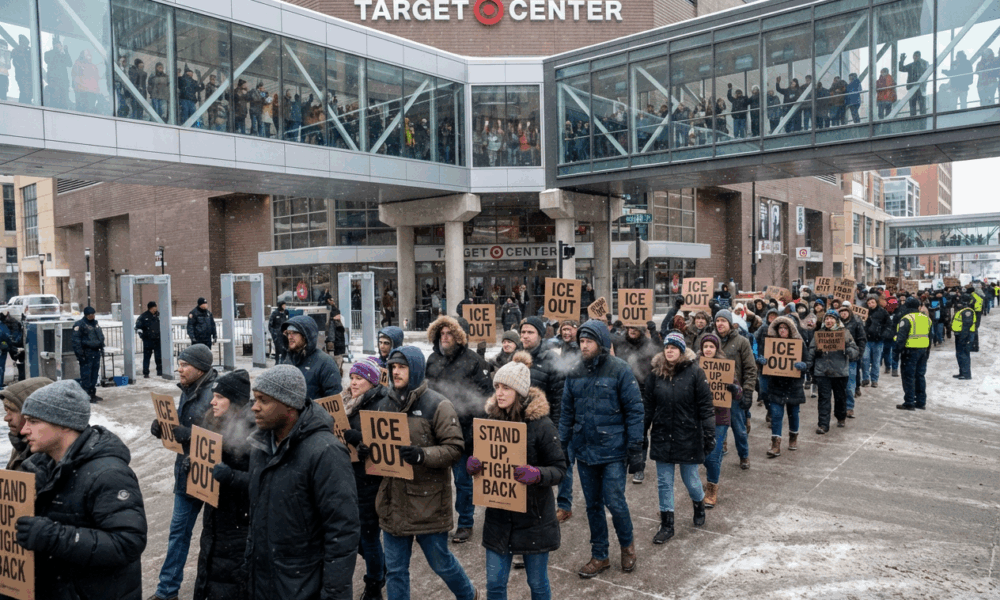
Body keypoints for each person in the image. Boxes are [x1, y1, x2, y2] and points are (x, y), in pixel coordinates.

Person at [15, 380, 147, 599]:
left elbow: (127, 543)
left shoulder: (108, 474)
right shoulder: (41, 466)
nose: (24, 429)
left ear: (64, 423)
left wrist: (54, 537)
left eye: (33, 421)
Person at [245, 365, 359, 599]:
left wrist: (334, 593)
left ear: (289, 405)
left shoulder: (326, 452)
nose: (254, 407)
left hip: (302, 585)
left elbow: (342, 531)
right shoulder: (260, 447)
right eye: (254, 399)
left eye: (263, 400)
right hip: (264, 583)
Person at [376, 346, 479, 600]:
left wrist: (423, 455)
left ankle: (469, 595)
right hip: (393, 502)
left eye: (402, 367)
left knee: (441, 562)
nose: (396, 372)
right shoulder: (384, 404)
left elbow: (455, 449)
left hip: (427, 502)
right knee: (396, 571)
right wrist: (368, 447)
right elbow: (380, 453)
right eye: (393, 367)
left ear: (416, 369)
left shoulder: (438, 404)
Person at [465, 352, 566, 600]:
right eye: (497, 386)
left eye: (506, 388)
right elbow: (484, 463)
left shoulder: (542, 425)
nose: (499, 393)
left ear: (519, 391)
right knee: (495, 584)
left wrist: (537, 474)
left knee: (537, 584)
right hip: (498, 518)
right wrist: (474, 466)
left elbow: (560, 469)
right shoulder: (489, 421)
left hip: (534, 519)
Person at [559, 319, 644, 578]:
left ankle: (627, 547)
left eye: (588, 341)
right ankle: (600, 555)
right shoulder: (574, 371)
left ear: (601, 343)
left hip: (613, 451)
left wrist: (636, 448)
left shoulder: (620, 369)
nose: (583, 346)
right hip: (584, 449)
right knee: (592, 505)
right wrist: (561, 445)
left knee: (615, 502)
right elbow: (566, 413)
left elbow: (634, 411)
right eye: (581, 341)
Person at [148, 343, 217, 600]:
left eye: (184, 365)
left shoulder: (215, 393)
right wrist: (162, 426)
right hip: (186, 473)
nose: (179, 369)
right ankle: (166, 592)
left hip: (210, 476)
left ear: (200, 368)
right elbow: (180, 421)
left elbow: (225, 434)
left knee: (216, 537)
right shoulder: (187, 389)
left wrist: (190, 435)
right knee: (178, 533)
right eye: (179, 364)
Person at [425, 315, 493, 544]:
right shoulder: (432, 359)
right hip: (436, 431)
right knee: (434, 480)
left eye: (450, 333)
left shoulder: (474, 362)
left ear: (459, 336)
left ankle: (465, 522)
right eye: (441, 333)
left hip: (465, 431)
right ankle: (436, 521)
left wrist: (475, 435)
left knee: (463, 482)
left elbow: (485, 399)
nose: (445, 337)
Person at [643, 332, 714, 543]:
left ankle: (699, 505)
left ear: (682, 350)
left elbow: (706, 407)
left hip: (688, 436)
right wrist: (641, 435)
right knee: (664, 483)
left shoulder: (695, 373)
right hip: (663, 435)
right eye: (667, 347)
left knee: (690, 480)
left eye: (674, 347)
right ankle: (667, 525)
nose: (670, 350)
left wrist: (709, 434)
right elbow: (647, 408)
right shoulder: (655, 375)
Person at [193, 369, 254, 600]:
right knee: (211, 576)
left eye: (219, 397)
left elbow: (263, 483)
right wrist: (195, 466)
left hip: (239, 525)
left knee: (230, 583)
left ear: (235, 402)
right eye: (213, 396)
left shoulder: (253, 432)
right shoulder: (213, 424)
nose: (212, 402)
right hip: (215, 521)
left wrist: (231, 477)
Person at [340, 358, 396, 600]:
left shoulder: (381, 405)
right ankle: (379, 567)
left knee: (368, 534)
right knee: (353, 533)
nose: (353, 382)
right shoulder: (344, 401)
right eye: (352, 377)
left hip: (370, 481)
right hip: (346, 478)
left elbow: (387, 443)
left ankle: (374, 583)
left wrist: (363, 442)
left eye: (359, 378)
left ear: (372, 381)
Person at [519, 317, 572, 520]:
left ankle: (564, 504)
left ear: (540, 335)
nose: (525, 336)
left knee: (556, 464)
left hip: (547, 424)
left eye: (530, 332)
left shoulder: (551, 360)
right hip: (522, 426)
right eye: (523, 332)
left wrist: (558, 428)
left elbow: (559, 397)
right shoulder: (516, 357)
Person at [695, 334, 743, 509]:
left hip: (720, 418)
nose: (708, 349)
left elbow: (739, 393)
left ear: (717, 349)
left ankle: (712, 488)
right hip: (698, 417)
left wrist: (733, 388)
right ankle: (705, 481)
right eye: (705, 346)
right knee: (701, 455)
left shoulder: (725, 367)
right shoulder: (694, 366)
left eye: (711, 346)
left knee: (713, 456)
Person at [612, 324, 659, 484]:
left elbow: (659, 355)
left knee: (640, 431)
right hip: (622, 391)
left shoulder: (650, 345)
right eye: (629, 326)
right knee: (622, 429)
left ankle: (639, 467)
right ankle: (623, 462)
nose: (631, 330)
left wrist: (653, 331)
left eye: (635, 327)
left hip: (643, 393)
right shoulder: (619, 342)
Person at [713, 310, 756, 469]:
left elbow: (751, 368)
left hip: (735, 394)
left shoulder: (742, 342)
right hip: (716, 394)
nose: (720, 324)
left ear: (730, 323)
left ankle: (744, 455)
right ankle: (716, 456)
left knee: (739, 429)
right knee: (716, 430)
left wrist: (748, 391)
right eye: (718, 321)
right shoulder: (711, 341)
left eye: (723, 320)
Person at [762, 317, 807, 458]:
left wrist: (804, 366)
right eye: (780, 327)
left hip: (794, 385)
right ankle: (776, 444)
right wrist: (762, 362)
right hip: (776, 384)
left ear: (791, 329)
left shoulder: (799, 344)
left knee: (793, 414)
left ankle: (793, 437)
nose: (782, 330)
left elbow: (808, 361)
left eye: (785, 328)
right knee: (776, 415)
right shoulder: (770, 344)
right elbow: (766, 360)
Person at [806, 310, 859, 433]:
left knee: (840, 397)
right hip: (822, 371)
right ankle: (823, 425)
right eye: (826, 319)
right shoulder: (819, 334)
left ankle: (841, 417)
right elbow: (811, 350)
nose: (829, 321)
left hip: (839, 372)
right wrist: (808, 365)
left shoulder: (844, 333)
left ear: (836, 320)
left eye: (831, 318)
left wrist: (847, 349)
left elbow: (854, 350)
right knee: (824, 398)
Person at [280, 314, 343, 399]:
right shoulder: (287, 360)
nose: (290, 337)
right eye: (288, 333)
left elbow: (334, 401)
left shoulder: (325, 363)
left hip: (314, 411)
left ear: (306, 335)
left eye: (294, 333)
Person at [2, 377, 53, 470]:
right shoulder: (20, 444)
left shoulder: (49, 456)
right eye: (6, 411)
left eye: (13, 411)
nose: (6, 418)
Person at [895, 297, 932, 411]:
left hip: (909, 351)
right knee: (920, 376)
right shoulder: (926, 319)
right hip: (923, 350)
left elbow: (901, 339)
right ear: (918, 307)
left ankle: (909, 401)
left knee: (908, 377)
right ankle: (921, 401)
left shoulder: (906, 319)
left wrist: (896, 353)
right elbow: (930, 337)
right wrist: (927, 352)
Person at [837, 302, 866, 419]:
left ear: (849, 312)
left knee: (850, 386)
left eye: (845, 311)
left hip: (852, 359)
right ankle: (841, 408)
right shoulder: (835, 325)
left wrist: (859, 354)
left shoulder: (857, 323)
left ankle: (849, 407)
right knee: (840, 387)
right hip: (838, 359)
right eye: (841, 312)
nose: (843, 314)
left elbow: (862, 339)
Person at [71, 306, 105, 402]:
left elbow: (100, 336)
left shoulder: (95, 324)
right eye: (90, 315)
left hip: (95, 352)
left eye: (93, 314)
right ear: (86, 315)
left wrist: (101, 345)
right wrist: (80, 355)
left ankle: (92, 393)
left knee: (94, 374)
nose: (92, 316)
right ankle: (86, 395)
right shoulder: (80, 325)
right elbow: (76, 341)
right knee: (86, 375)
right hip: (86, 353)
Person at [862, 295, 889, 389]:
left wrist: (883, 334)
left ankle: (874, 380)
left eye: (872, 302)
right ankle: (865, 378)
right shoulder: (865, 312)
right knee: (865, 359)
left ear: (876, 302)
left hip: (878, 340)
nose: (870, 304)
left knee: (876, 361)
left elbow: (888, 325)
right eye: (869, 303)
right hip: (867, 340)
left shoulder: (883, 312)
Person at [136, 301, 163, 378]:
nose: (155, 309)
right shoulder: (143, 316)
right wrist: (143, 336)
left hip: (157, 340)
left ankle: (160, 371)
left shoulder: (159, 315)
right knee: (147, 357)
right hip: (148, 340)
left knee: (158, 357)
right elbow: (138, 328)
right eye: (154, 308)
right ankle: (146, 372)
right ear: (150, 308)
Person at [952, 294, 976, 380]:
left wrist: (963, 338)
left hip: (964, 336)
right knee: (959, 355)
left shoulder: (967, 311)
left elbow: (966, 326)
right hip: (960, 335)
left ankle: (966, 374)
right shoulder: (963, 310)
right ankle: (962, 372)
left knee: (964, 355)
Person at [898, 51, 929, 116]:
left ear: (919, 57)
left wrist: (902, 61)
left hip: (919, 88)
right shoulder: (912, 65)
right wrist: (901, 61)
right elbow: (901, 68)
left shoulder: (923, 64)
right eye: (914, 56)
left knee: (921, 106)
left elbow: (927, 68)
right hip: (914, 88)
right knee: (913, 107)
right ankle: (915, 120)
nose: (915, 57)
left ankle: (921, 120)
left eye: (916, 56)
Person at [325, 307, 349, 373]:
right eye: (338, 314)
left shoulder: (337, 322)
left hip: (338, 345)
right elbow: (331, 334)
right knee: (337, 362)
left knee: (339, 361)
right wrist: (331, 347)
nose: (339, 316)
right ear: (335, 315)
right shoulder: (333, 323)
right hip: (336, 346)